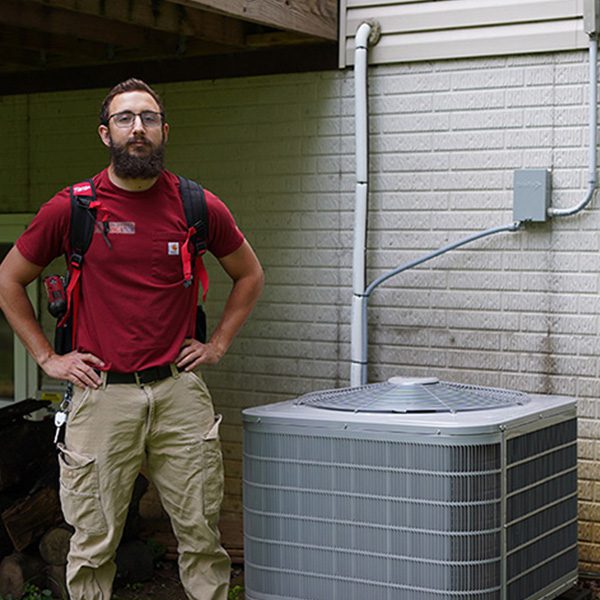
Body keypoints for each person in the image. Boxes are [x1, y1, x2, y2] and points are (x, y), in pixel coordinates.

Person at [0, 78, 264, 600]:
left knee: (201, 535)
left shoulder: (196, 205)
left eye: (148, 118)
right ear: (106, 133)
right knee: (92, 543)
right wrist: (47, 357)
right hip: (101, 394)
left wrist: (217, 345)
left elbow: (249, 274)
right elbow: (9, 280)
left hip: (178, 391)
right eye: (125, 118)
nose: (137, 127)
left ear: (165, 130)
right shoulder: (73, 208)